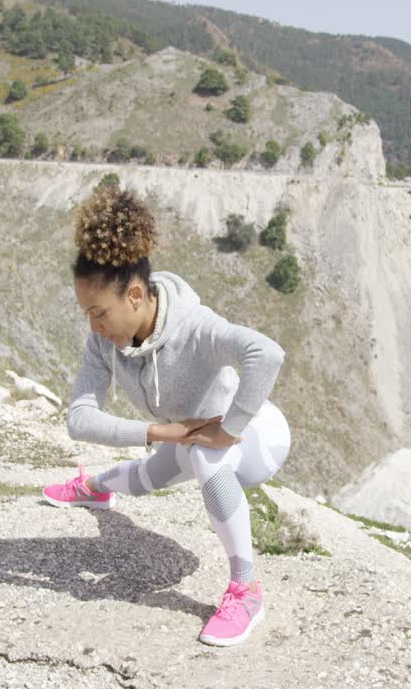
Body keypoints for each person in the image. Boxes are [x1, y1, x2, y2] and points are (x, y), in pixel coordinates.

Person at [42, 183, 292, 647]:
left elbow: (267, 353)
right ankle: (93, 489)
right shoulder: (103, 340)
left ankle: (246, 589)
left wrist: (229, 428)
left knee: (203, 456)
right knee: (146, 474)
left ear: (135, 295)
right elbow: (79, 417)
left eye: (99, 313)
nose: (93, 327)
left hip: (258, 438)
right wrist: (162, 431)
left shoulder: (194, 327)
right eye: (87, 314)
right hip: (189, 440)